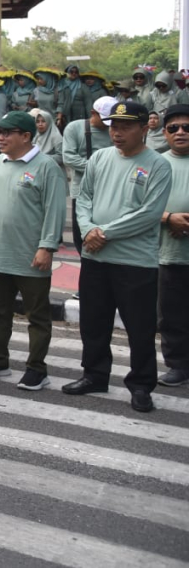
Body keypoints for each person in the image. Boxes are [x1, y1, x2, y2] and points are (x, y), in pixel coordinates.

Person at [68, 101, 172, 412]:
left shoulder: (158, 164)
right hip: (95, 258)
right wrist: (88, 229)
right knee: (93, 322)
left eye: (125, 126)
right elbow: (83, 198)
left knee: (139, 328)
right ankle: (95, 375)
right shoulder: (99, 157)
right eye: (114, 125)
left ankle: (141, 385)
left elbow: (150, 213)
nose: (117, 132)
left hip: (135, 262)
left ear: (145, 128)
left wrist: (104, 233)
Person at [0, 111, 67, 391]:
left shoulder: (47, 166)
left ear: (26, 136)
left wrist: (47, 246)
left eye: (7, 133)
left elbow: (55, 210)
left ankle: (37, 368)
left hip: (32, 256)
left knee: (37, 316)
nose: (0, 137)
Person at [158, 104, 189, 388]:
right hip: (169, 256)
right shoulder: (155, 164)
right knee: (172, 315)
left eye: (186, 127)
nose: (181, 132)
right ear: (165, 133)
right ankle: (177, 365)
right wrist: (169, 218)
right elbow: (137, 207)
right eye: (173, 128)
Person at [62, 96, 116, 252]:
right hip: (81, 190)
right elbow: (69, 157)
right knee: (80, 235)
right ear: (93, 112)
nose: (109, 125)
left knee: (103, 234)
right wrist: (97, 169)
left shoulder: (114, 130)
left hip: (108, 190)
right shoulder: (74, 128)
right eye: (105, 120)